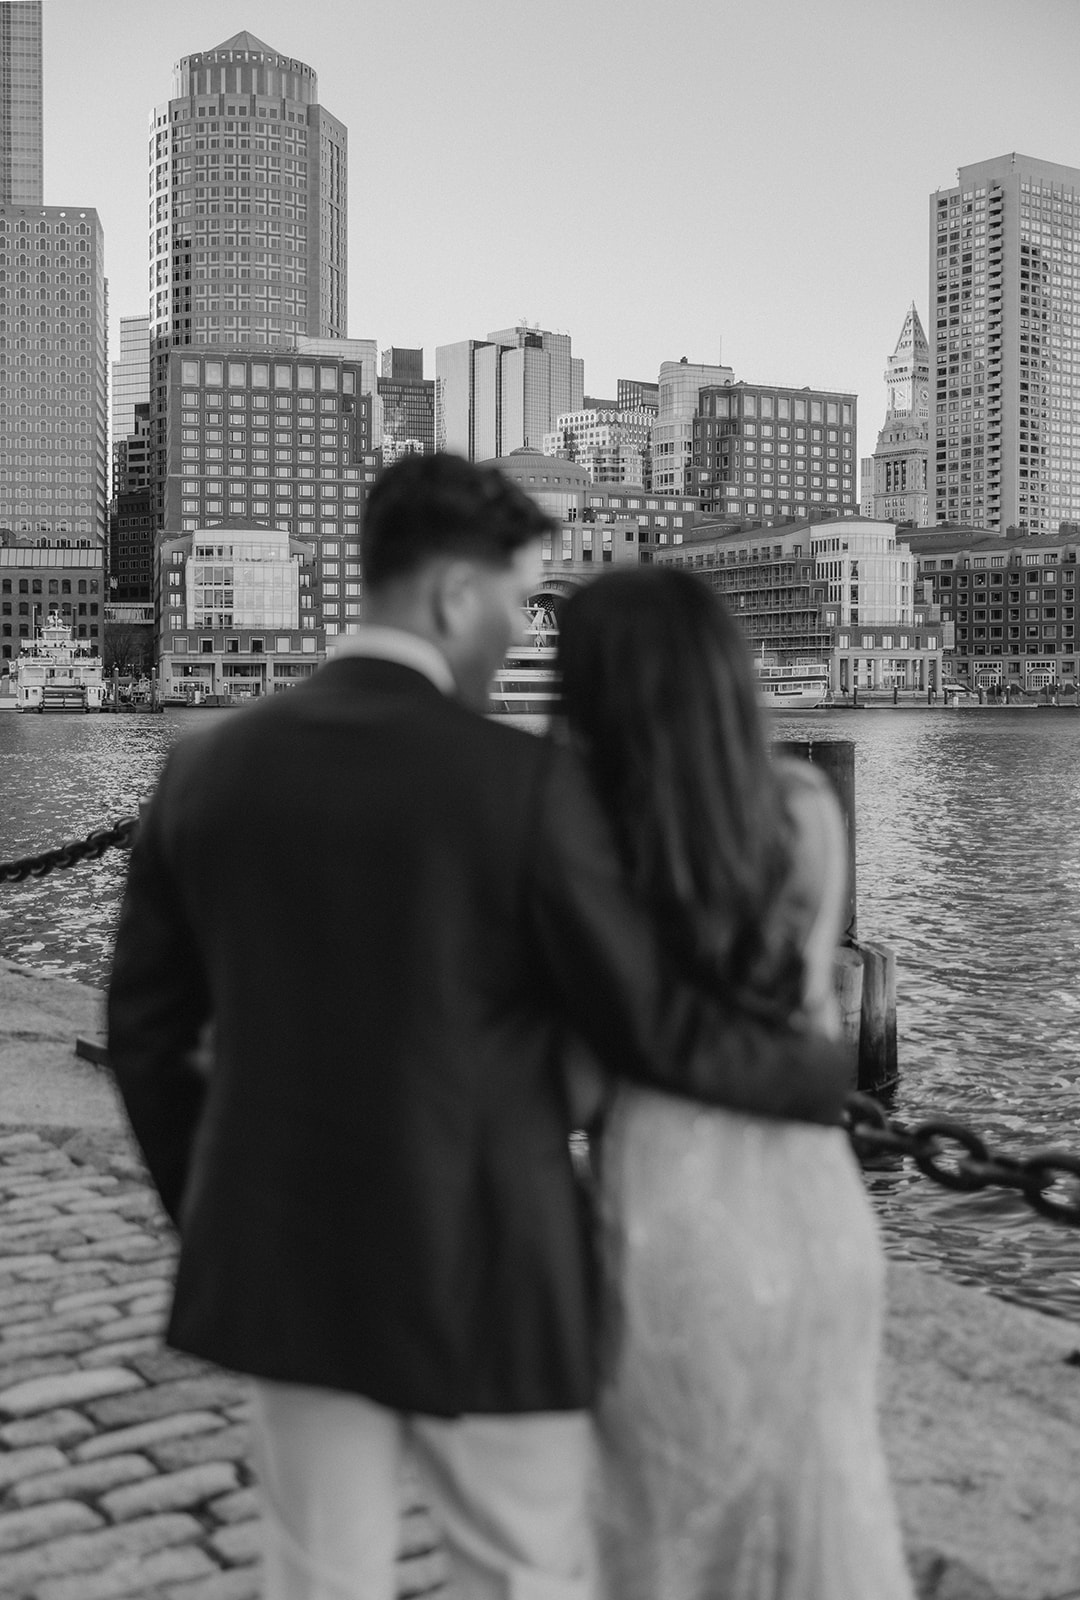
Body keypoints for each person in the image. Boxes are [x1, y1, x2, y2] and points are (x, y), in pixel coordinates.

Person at [106, 454, 853, 1600]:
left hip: (287, 1263)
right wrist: (816, 1076)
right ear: (456, 594)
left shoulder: (205, 772)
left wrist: (211, 1208)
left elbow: (148, 1034)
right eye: (514, 600)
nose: (517, 632)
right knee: (521, 1574)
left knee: (318, 1576)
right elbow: (647, 1021)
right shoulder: (525, 785)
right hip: (495, 1271)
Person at [556, 567, 914, 1600]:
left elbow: (579, 1071)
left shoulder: (590, 839)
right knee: (825, 1502)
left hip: (676, 1219)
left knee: (673, 1539)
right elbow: (805, 1018)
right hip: (818, 1213)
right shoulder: (804, 808)